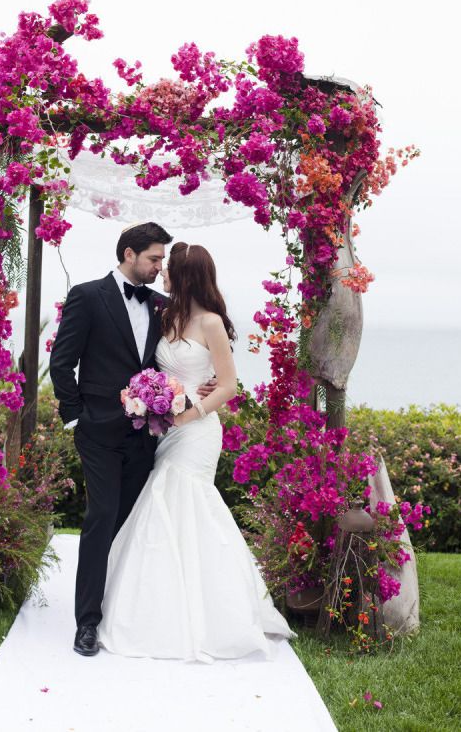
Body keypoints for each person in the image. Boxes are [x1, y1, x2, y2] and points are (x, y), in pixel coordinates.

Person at [97, 242, 294, 662]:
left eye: (169, 269)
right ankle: (157, 607)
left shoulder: (211, 323)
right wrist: (149, 401)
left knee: (180, 500)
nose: (162, 273)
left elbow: (227, 385)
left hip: (198, 430)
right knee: (164, 506)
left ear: (186, 276)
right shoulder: (164, 314)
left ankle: (209, 615)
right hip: (163, 429)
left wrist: (190, 412)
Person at [49, 223, 216, 657]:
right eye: (155, 259)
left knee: (135, 524)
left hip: (149, 437)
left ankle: (127, 613)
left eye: (163, 260)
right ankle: (87, 622)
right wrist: (75, 419)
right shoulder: (88, 296)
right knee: (101, 518)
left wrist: (204, 384)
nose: (161, 266)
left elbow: (180, 360)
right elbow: (62, 362)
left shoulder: (164, 307)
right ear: (129, 254)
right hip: (98, 432)